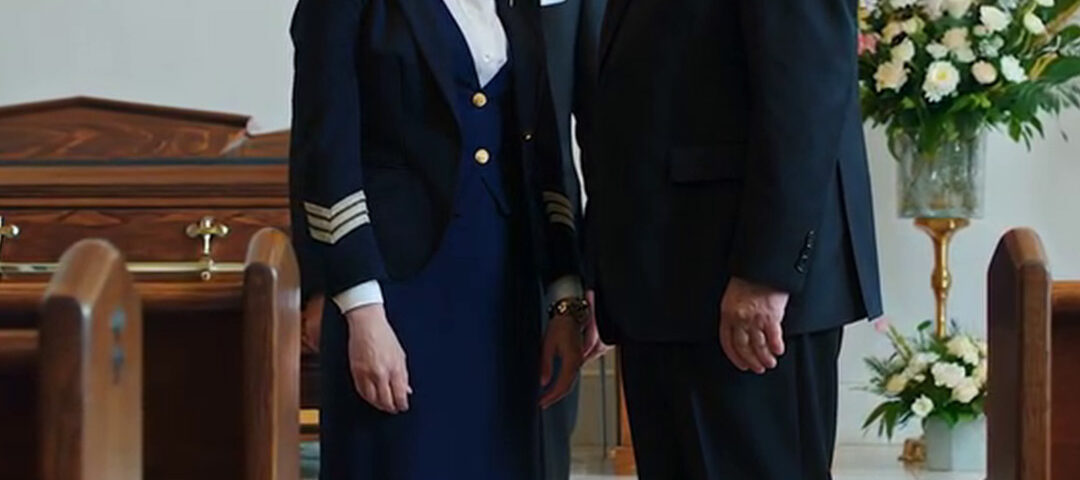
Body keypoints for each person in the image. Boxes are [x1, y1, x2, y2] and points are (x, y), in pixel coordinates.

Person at [581, 0, 884, 478]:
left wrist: (765, 273)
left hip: (739, 285)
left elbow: (807, 93)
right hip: (660, 283)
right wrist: (598, 260)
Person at [288, 0, 588, 478]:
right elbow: (324, 155)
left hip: (505, 299)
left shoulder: (518, 6)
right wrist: (362, 314)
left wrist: (564, 300)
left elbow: (543, 159)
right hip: (393, 299)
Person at [536, 0, 607, 479]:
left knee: (540, 452)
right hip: (418, 267)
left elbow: (604, 141)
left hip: (546, 257)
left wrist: (599, 272)